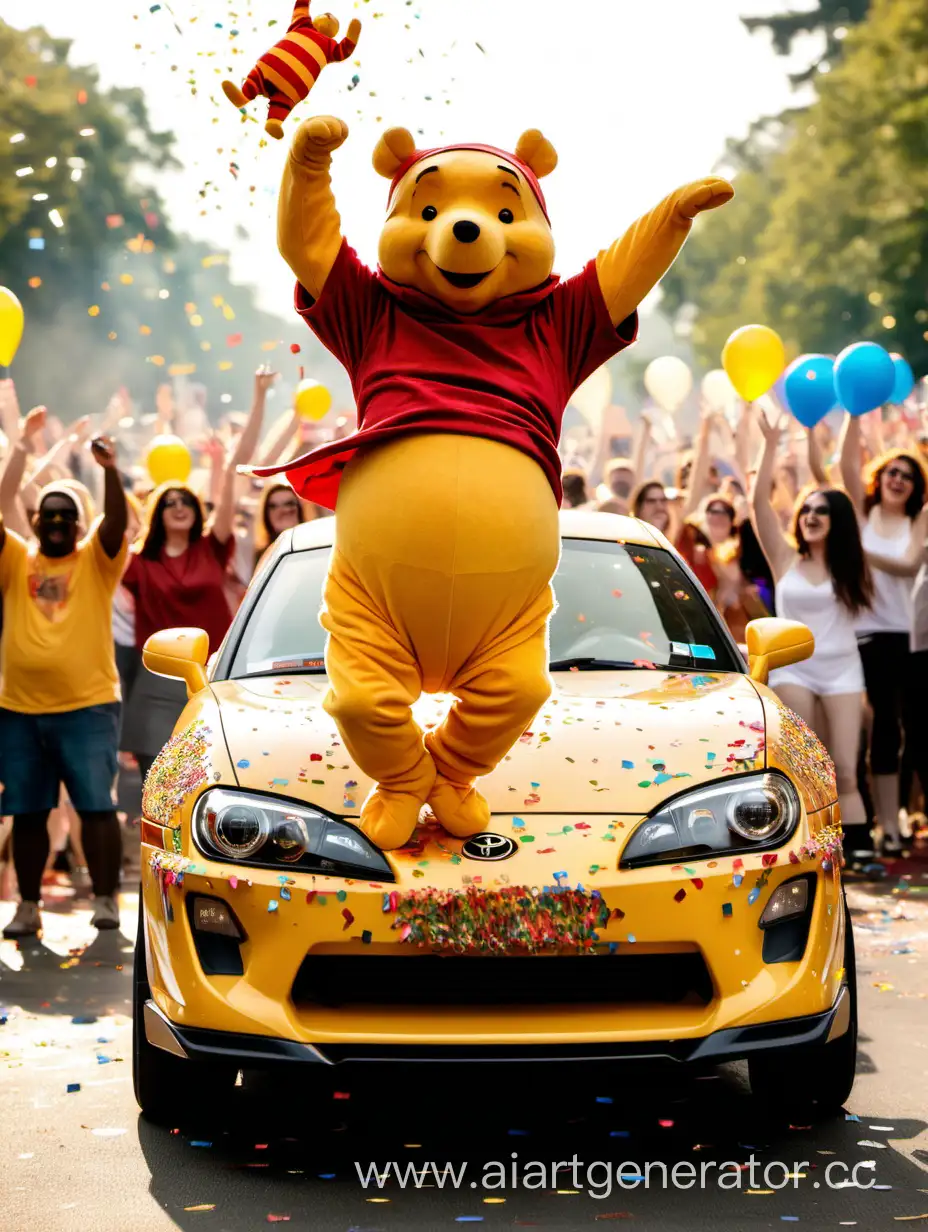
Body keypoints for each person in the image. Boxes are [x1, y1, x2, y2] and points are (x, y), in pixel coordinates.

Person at [0, 409, 128, 938]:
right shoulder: (15, 559)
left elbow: (117, 523)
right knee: (28, 813)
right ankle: (27, 907)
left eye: (64, 517)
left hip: (88, 707)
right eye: (46, 515)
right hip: (20, 711)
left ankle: (105, 901)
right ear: (34, 522)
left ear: (79, 525)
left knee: (97, 808)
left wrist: (110, 471)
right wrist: (24, 451)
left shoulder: (98, 559)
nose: (54, 522)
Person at [120, 371, 273, 783]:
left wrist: (258, 397)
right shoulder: (139, 562)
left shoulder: (212, 546)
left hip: (214, 676)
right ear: (156, 512)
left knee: (214, 777)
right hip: (155, 682)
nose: (178, 505)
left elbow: (233, 484)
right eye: (168, 501)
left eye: (185, 499)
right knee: (159, 785)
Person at [753, 412, 873, 856]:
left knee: (844, 765)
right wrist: (768, 446)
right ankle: (817, 847)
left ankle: (860, 849)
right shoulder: (785, 558)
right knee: (807, 764)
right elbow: (760, 506)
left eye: (822, 511)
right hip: (794, 671)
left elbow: (852, 479)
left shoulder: (851, 565)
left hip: (843, 669)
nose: (811, 515)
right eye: (806, 509)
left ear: (838, 521)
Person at [840, 416, 928, 854]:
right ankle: (887, 827)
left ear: (916, 487)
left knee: (917, 727)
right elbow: (843, 465)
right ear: (881, 477)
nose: (898, 479)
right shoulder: (864, 512)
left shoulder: (921, 518)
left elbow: (911, 565)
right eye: (892, 471)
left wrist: (858, 550)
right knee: (885, 727)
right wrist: (854, 415)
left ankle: (909, 819)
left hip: (911, 635)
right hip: (869, 634)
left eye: (908, 476)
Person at [254, 481, 306, 565]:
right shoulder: (260, 557)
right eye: (273, 506)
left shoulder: (315, 546)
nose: (282, 511)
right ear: (265, 514)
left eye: (289, 504)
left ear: (300, 510)